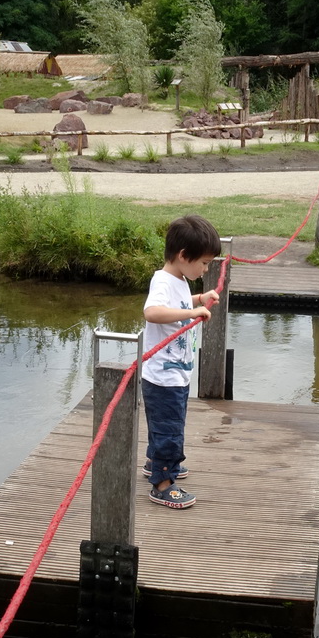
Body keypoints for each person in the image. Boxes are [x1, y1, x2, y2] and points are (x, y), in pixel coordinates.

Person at [141, 215, 221, 509]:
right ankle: (163, 483)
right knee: (169, 431)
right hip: (163, 378)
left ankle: (157, 463)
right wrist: (192, 313)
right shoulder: (162, 280)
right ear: (183, 256)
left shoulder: (178, 280)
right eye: (203, 263)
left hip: (175, 375)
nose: (206, 268)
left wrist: (201, 297)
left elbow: (179, 304)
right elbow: (152, 312)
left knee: (166, 427)